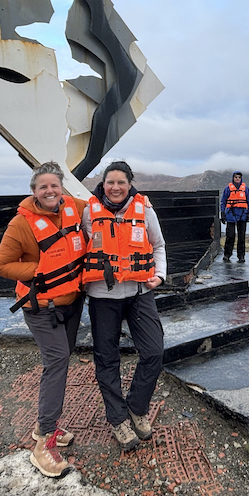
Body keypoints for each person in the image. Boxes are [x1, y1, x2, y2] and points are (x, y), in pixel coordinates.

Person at [0, 161, 86, 478]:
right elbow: (2, 264)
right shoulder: (20, 225)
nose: (50, 191)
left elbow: (101, 208)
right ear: (34, 191)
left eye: (55, 185)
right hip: (41, 306)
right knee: (57, 360)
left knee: (63, 357)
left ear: (62, 189)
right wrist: (39, 272)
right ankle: (44, 443)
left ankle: (44, 425)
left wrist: (140, 202)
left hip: (72, 301)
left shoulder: (74, 207)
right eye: (43, 186)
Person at [82, 160, 167, 450]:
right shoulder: (88, 212)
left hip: (140, 292)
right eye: (110, 182)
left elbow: (158, 245)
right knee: (107, 358)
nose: (115, 187)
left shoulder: (145, 210)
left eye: (121, 182)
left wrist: (160, 275)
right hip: (102, 297)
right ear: (102, 184)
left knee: (154, 351)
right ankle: (118, 418)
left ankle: (137, 407)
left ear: (130, 184)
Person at [220, 171, 249, 263]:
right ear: (233, 178)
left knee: (241, 237)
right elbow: (223, 201)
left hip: (243, 215)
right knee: (230, 236)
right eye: (236, 177)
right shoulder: (228, 189)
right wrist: (222, 213)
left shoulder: (246, 189)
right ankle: (227, 254)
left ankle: (241, 256)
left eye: (239, 177)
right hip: (231, 214)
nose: (237, 179)